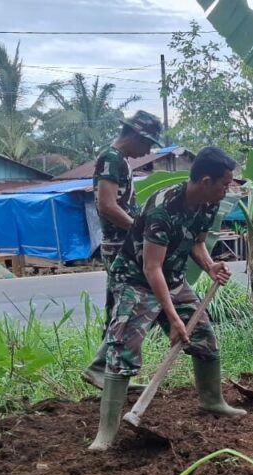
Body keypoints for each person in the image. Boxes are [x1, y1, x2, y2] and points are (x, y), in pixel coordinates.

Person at [89, 147, 244, 451]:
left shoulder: (209, 203)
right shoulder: (163, 209)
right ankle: (106, 432)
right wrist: (174, 319)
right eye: (225, 184)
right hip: (135, 279)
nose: (227, 190)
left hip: (171, 277)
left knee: (203, 337)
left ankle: (212, 401)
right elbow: (151, 268)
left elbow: (197, 242)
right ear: (206, 181)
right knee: (123, 348)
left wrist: (210, 266)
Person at [83, 110, 164, 393]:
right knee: (134, 305)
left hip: (124, 243)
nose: (149, 151)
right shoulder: (111, 159)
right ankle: (101, 368)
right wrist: (139, 230)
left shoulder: (119, 160)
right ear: (135, 135)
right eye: (148, 143)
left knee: (122, 307)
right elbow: (107, 205)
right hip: (120, 245)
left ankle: (111, 373)